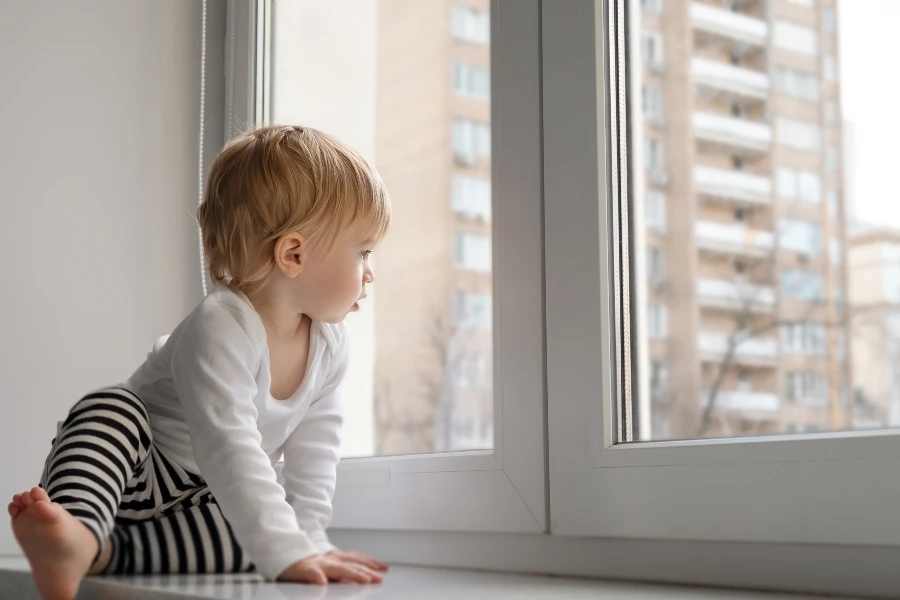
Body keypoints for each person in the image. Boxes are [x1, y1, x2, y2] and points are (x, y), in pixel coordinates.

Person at [8, 125, 391, 600]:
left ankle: (99, 553)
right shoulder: (221, 326)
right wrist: (285, 548)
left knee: (262, 528)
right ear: (292, 253)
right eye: (364, 252)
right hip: (134, 473)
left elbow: (314, 457)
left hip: (206, 501)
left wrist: (306, 544)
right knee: (110, 409)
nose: (371, 272)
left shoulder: (331, 345)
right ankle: (77, 527)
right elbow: (228, 447)